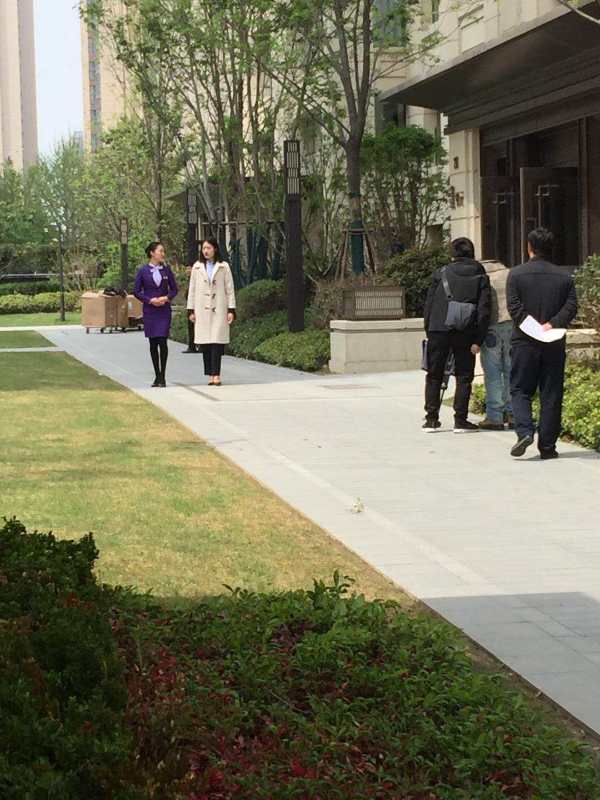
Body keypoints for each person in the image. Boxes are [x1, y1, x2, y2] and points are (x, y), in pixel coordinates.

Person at [507, 227, 577, 460]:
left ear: (529, 247)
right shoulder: (564, 277)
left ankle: (525, 432)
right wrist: (551, 324)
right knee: (551, 393)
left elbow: (514, 307)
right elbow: (571, 306)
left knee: (520, 389)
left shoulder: (516, 274)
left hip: (524, 341)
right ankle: (547, 446)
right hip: (553, 341)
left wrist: (533, 327)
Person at [423, 237, 491, 433]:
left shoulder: (441, 272)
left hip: (438, 328)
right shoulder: (480, 275)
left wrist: (429, 329)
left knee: (434, 374)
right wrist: (479, 339)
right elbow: (484, 309)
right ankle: (460, 420)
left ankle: (431, 419)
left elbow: (429, 305)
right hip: (466, 331)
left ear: (452, 254)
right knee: (464, 375)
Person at [187, 238, 236, 386]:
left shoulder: (223, 266)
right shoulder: (197, 267)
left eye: (208, 248)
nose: (206, 251)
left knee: (217, 343)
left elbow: (230, 289)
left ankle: (216, 374)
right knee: (205, 344)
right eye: (204, 248)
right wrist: (191, 310)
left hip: (219, 308)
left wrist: (231, 309)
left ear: (215, 249)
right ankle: (210, 373)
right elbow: (192, 290)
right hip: (202, 310)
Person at [133, 242, 178, 387]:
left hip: (163, 311)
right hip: (150, 311)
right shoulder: (143, 271)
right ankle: (157, 375)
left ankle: (162, 376)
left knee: (163, 342)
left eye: (163, 251)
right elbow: (136, 291)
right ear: (152, 253)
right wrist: (149, 300)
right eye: (160, 251)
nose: (163, 254)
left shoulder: (166, 270)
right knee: (153, 343)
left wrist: (166, 298)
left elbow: (174, 289)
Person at [478, 259, 513, 431]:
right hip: (512, 326)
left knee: (492, 373)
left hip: (490, 328)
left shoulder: (482, 277)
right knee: (511, 370)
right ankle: (513, 413)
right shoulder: (510, 274)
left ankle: (494, 417)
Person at [181, 265, 199, 354]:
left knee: (197, 326)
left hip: (197, 305)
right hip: (190, 305)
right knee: (191, 327)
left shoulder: (197, 279)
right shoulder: (190, 279)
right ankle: (192, 346)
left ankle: (200, 346)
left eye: (189, 268)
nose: (187, 271)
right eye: (186, 269)